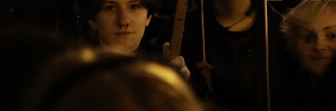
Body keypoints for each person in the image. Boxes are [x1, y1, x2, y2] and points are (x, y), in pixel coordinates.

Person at [24, 48, 202, 111]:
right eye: (109, 8)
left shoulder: (157, 79)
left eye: (134, 6)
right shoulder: (77, 77)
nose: (123, 21)